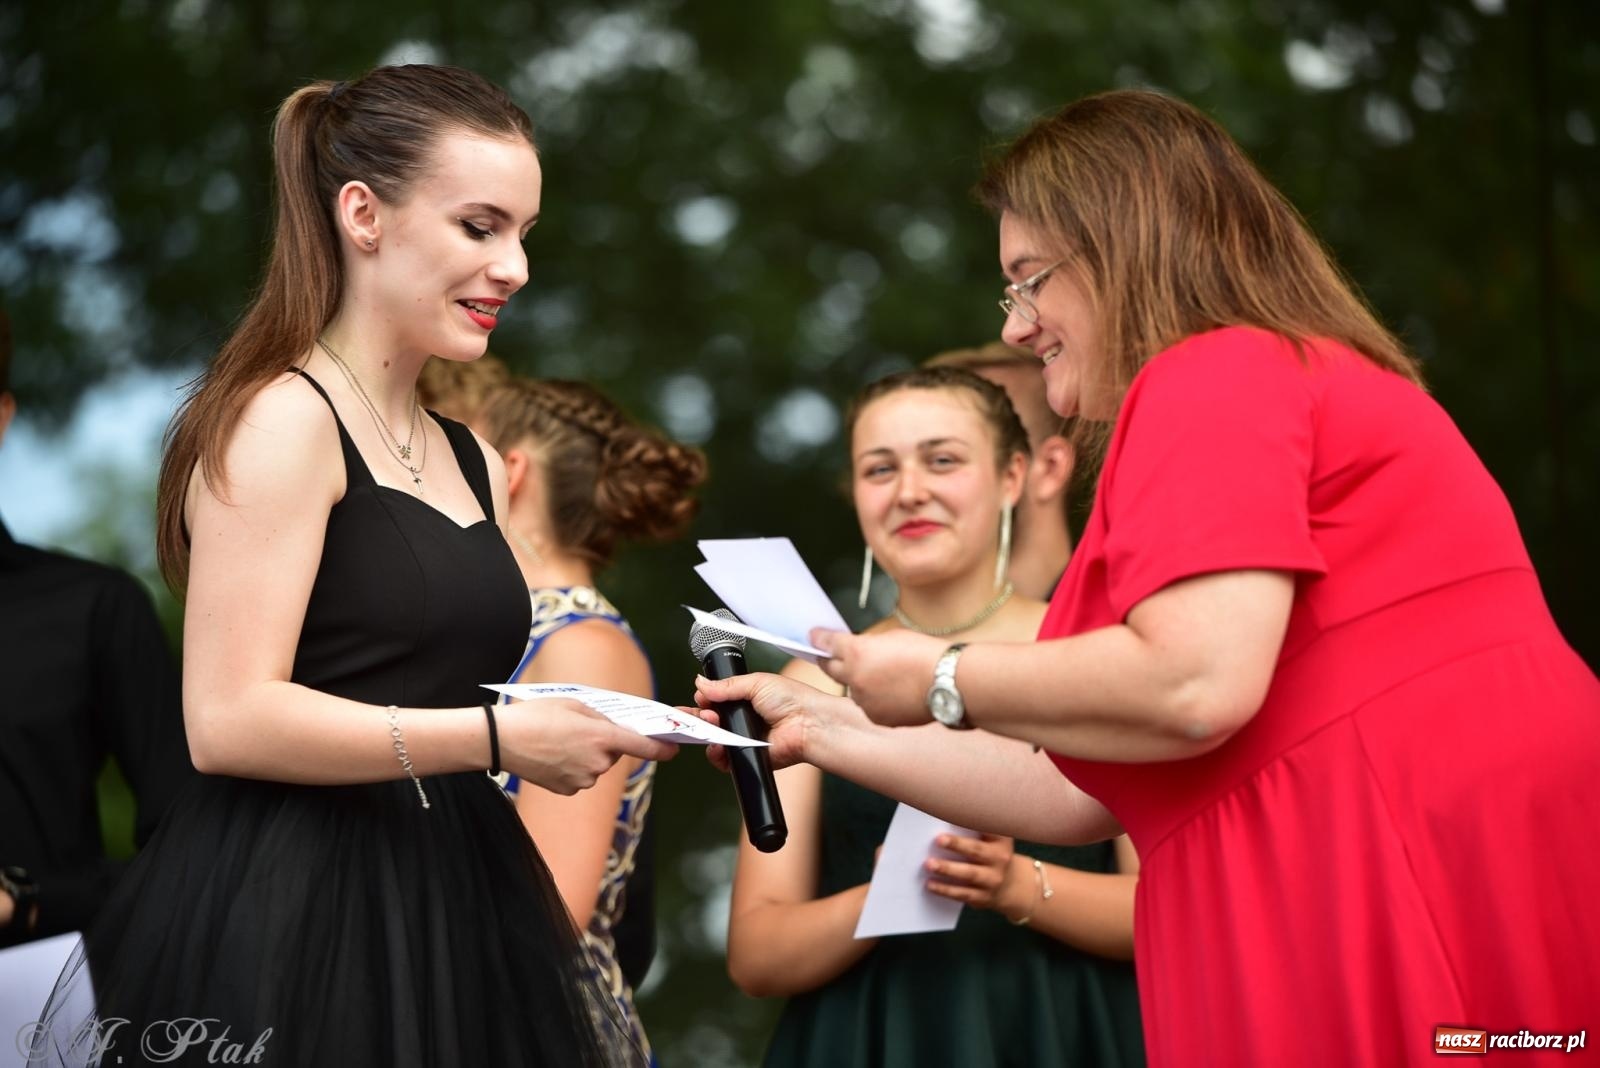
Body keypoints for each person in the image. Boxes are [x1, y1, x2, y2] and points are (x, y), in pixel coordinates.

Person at [696, 89, 1600, 1066]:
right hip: (1379, 860)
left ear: (1117, 247)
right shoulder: (1251, 378)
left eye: (1028, 280)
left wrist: (941, 674)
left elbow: (1192, 684)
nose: (1018, 325)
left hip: (1388, 867)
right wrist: (822, 726)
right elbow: (1078, 785)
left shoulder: (1212, 370)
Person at [33, 65, 675, 1067]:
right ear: (363, 214)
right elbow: (227, 718)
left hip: (456, 893)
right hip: (296, 906)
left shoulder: (465, 451)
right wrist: (502, 734)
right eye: (480, 226)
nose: (514, 267)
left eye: (522, 233)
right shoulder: (281, 420)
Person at [728, 366, 1144, 1067]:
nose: (910, 491)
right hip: (872, 1034)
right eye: (879, 469)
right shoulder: (811, 684)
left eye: (942, 460)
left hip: (1064, 1028)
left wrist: (1018, 887)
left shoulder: (1097, 657)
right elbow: (756, 954)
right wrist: (882, 899)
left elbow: (1173, 905)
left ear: (1013, 478)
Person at [432, 365, 707, 1063]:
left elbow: (551, 907)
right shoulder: (509, 636)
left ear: (511, 471)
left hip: (532, 1031)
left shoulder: (584, 645)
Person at [0, 307, 193, 950]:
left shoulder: (97, 606)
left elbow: (189, 850)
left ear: (2, 418)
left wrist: (27, 901)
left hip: (34, 1008)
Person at [924, 341, 1076, 600]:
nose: (912, 489)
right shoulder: (888, 638)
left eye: (946, 459)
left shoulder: (1134, 626)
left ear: (1051, 467)